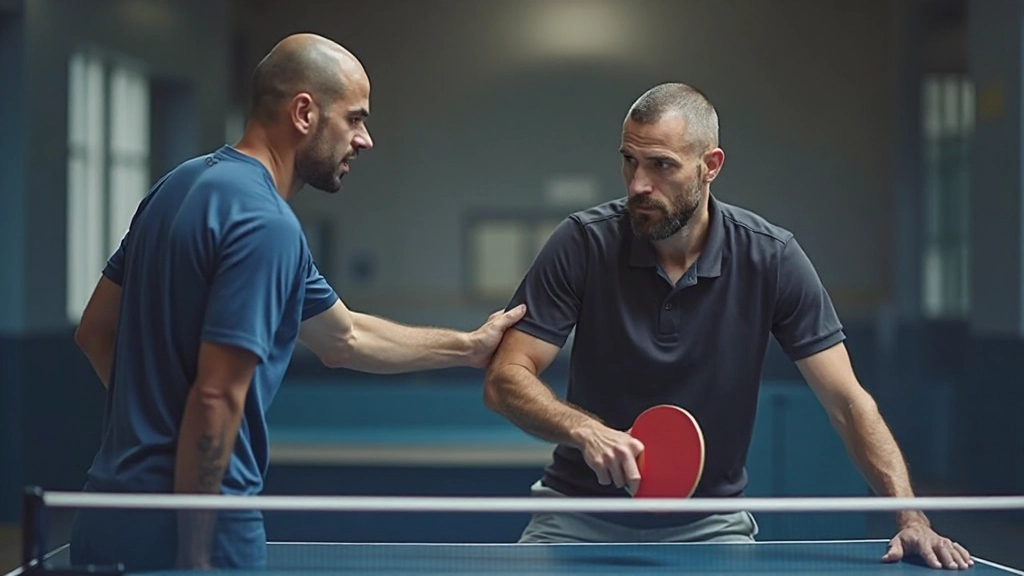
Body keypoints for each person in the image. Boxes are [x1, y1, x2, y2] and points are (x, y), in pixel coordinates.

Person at [69, 33, 525, 571]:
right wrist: (196, 555)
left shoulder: (178, 186)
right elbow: (215, 397)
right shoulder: (268, 225)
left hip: (106, 509)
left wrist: (469, 347)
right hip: (193, 526)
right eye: (354, 119)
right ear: (304, 112)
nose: (365, 140)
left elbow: (344, 337)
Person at [483, 82, 972, 571]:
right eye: (630, 160)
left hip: (711, 524)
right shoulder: (581, 244)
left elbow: (847, 401)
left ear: (710, 166)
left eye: (661, 165)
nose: (637, 184)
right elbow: (506, 378)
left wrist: (910, 517)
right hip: (576, 515)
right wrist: (585, 429)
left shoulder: (771, 257)